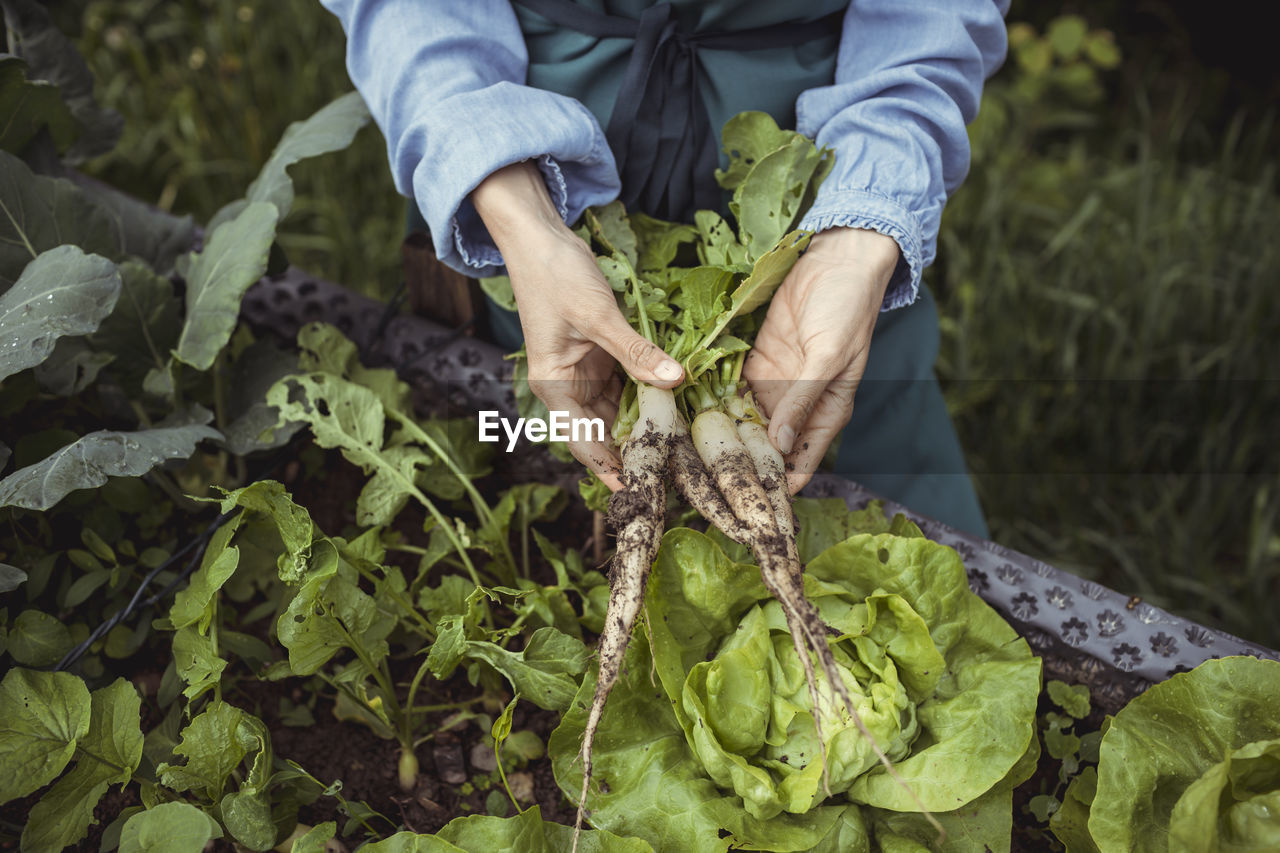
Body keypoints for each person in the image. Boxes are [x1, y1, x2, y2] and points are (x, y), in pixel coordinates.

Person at [318, 0, 1010, 537]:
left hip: (820, 150)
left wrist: (862, 230)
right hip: (532, 128)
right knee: (533, 448)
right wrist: (509, 199)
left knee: (848, 416)